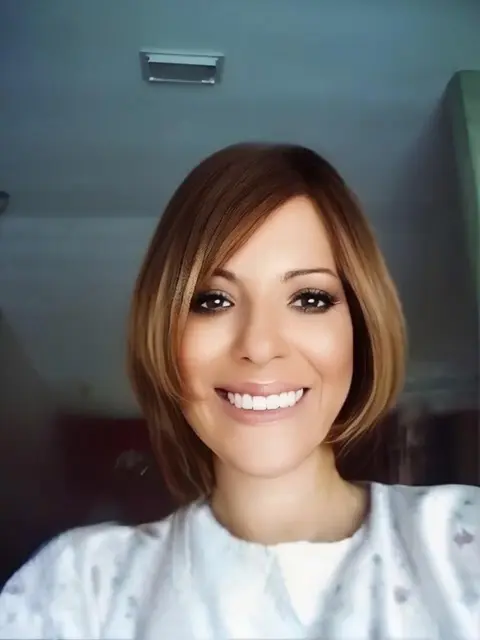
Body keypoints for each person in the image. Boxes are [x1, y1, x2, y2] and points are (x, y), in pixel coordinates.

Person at [0, 143, 478, 639]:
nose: (259, 346)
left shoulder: (462, 547)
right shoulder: (78, 590)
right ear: (164, 329)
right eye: (214, 300)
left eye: (309, 299)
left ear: (359, 324)